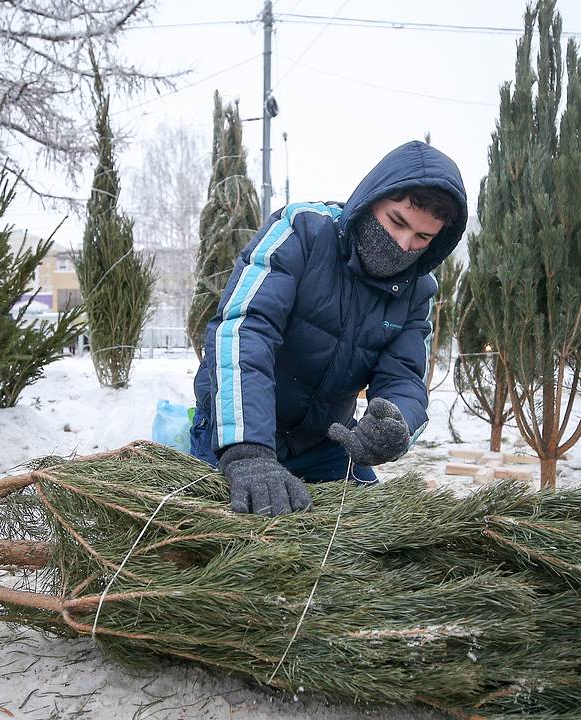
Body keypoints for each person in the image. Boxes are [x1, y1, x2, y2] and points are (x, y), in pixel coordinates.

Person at [188, 140, 468, 516]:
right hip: (234, 433)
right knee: (214, 548)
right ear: (371, 200)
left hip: (325, 442)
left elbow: (403, 377)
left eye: (422, 238)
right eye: (397, 222)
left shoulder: (418, 291)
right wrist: (248, 451)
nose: (403, 246)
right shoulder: (300, 231)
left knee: (374, 548)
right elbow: (243, 331)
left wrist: (396, 424)